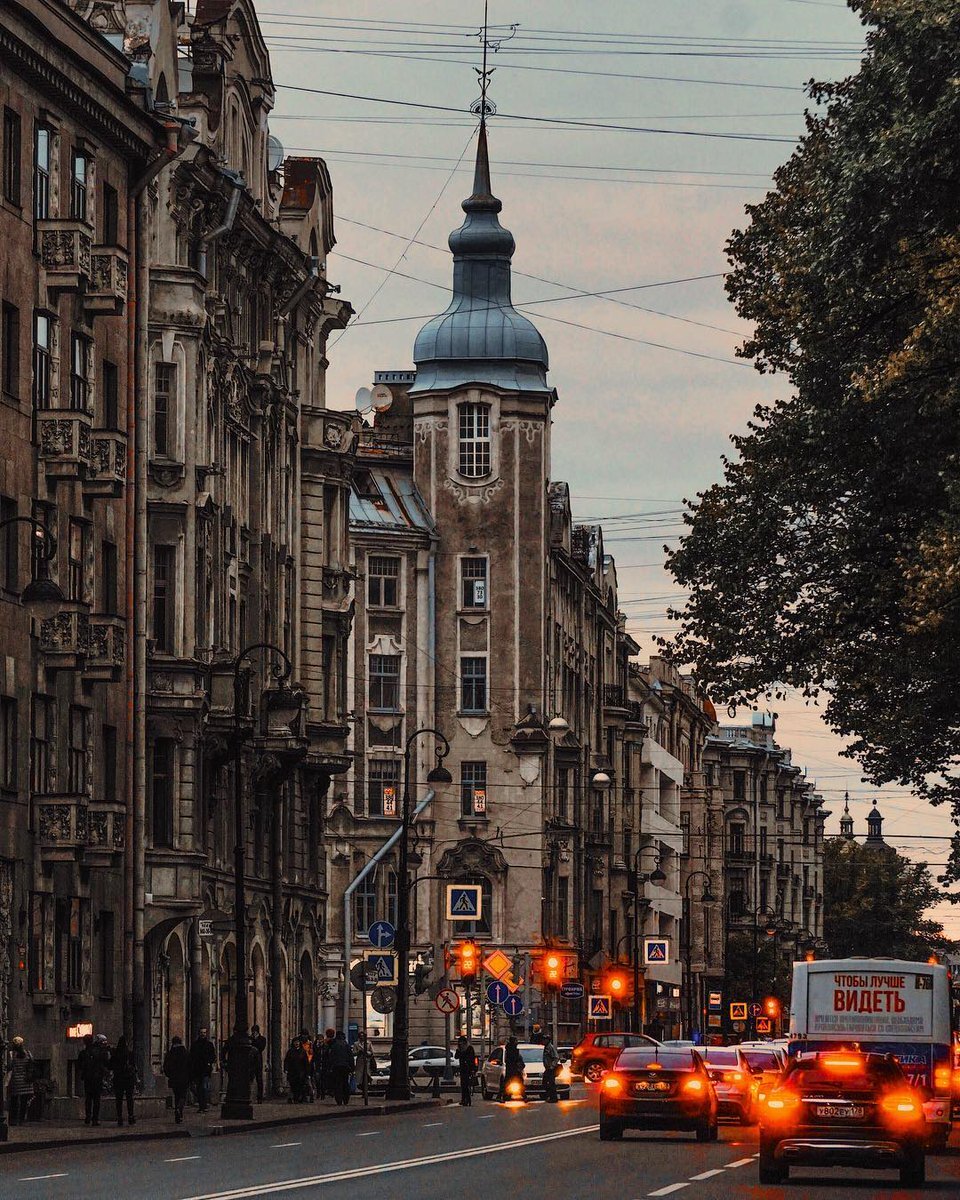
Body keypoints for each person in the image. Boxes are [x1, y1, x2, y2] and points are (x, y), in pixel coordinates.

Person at [77, 1033, 110, 1126]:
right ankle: (95, 1119)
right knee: (96, 1099)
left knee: (88, 1099)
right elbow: (105, 1062)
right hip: (97, 1078)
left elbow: (79, 1065)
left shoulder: (83, 1052)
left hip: (88, 1078)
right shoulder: (99, 1051)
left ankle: (87, 1117)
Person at [162, 1036, 191, 1123]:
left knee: (177, 1096)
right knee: (183, 1096)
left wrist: (169, 1075)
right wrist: (190, 1077)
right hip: (184, 1078)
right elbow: (190, 1066)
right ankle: (179, 1109)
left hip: (174, 1078)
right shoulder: (186, 1053)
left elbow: (166, 1066)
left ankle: (178, 1115)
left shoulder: (170, 1053)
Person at [110, 1036, 137, 1125]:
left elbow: (110, 1065)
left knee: (119, 1099)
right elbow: (134, 1066)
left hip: (118, 1079)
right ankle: (130, 1116)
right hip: (128, 1079)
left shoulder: (115, 1054)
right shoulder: (129, 1054)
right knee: (129, 1098)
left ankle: (119, 1117)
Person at [188, 1027, 216, 1113]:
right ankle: (201, 1106)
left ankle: (204, 1105)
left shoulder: (209, 1045)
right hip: (197, 1070)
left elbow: (213, 1056)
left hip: (206, 1070)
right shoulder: (195, 1045)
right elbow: (191, 1057)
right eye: (201, 1032)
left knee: (204, 1088)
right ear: (199, 1034)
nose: (203, 1034)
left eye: (204, 1032)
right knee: (199, 1088)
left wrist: (209, 1063)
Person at [7, 1037, 33, 1125]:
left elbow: (9, 1066)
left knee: (14, 1101)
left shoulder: (12, 1054)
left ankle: (13, 1120)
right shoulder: (28, 1053)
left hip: (15, 1081)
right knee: (24, 1102)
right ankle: (22, 1120)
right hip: (26, 1081)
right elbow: (31, 1065)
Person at [326, 1031, 354, 1106]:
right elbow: (350, 1057)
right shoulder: (346, 1045)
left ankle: (339, 1100)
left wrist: (329, 1067)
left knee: (338, 1084)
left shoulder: (334, 1045)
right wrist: (352, 1068)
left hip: (336, 1067)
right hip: (345, 1067)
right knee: (345, 1083)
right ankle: (345, 1099)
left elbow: (331, 1057)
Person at [455, 1034, 477, 1106]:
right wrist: (458, 1050)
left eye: (461, 1042)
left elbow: (472, 1059)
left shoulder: (469, 1048)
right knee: (463, 1084)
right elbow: (456, 1057)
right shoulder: (460, 1049)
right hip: (463, 1069)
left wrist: (473, 1069)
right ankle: (464, 1099)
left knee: (466, 1085)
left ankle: (467, 1100)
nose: (460, 1044)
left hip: (468, 1069)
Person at [283, 1037, 307, 1103]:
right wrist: (286, 1069)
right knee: (293, 1085)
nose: (296, 1043)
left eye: (298, 1042)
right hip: (292, 1071)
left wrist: (307, 1072)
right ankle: (294, 1097)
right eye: (295, 1042)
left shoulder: (303, 1051)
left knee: (300, 1085)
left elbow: (305, 1062)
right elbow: (286, 1061)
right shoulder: (290, 1051)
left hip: (300, 1071)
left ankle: (298, 1098)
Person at [354, 1033, 376, 1098]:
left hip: (367, 1062)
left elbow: (372, 1052)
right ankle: (363, 1091)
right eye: (360, 1036)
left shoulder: (368, 1043)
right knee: (360, 1078)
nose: (362, 1038)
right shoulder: (356, 1044)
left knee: (366, 1077)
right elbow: (354, 1053)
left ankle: (365, 1092)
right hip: (360, 1063)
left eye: (363, 1036)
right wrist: (358, 1052)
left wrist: (367, 1053)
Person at [316, 1028, 336, 1100]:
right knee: (319, 1079)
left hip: (324, 1064)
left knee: (323, 1079)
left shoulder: (326, 1045)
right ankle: (322, 1092)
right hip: (321, 1064)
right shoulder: (317, 1046)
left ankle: (323, 1093)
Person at [503, 1036, 524, 1101]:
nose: (517, 1042)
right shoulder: (512, 1049)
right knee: (519, 1081)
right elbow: (514, 1058)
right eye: (516, 1041)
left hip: (511, 1068)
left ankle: (504, 1095)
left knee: (507, 1082)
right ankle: (524, 1096)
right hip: (513, 1068)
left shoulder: (509, 1048)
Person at [251, 1025, 267, 1104]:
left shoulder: (262, 1039)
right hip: (250, 1061)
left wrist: (255, 1040)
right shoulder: (249, 1038)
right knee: (249, 1079)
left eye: (255, 1031)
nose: (253, 1033)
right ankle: (250, 1096)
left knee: (259, 1079)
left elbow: (261, 1047)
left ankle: (259, 1097)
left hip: (258, 1061)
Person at [542, 1036, 560, 1103]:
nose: (543, 1041)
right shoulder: (546, 1047)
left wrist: (552, 1066)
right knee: (545, 1083)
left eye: (545, 1040)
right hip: (547, 1068)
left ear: (548, 1040)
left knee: (551, 1083)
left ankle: (554, 1098)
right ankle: (549, 1096)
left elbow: (556, 1057)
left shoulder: (550, 1047)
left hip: (551, 1069)